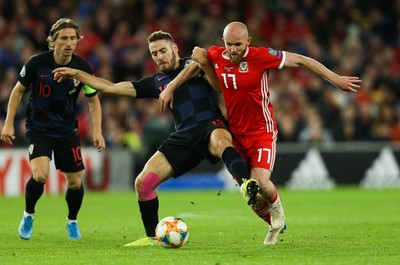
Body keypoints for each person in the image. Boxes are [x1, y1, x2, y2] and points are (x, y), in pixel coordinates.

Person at [53, 30, 259, 247]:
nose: (159, 56)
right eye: (154, 53)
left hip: (211, 125)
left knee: (221, 142)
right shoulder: (155, 82)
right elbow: (111, 87)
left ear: (175, 49)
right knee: (143, 183)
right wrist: (77, 74)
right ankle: (152, 237)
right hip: (183, 136)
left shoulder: (195, 63)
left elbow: (202, 62)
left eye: (163, 50)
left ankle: (246, 184)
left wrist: (173, 86)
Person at [167, 21, 361, 245]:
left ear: (248, 42)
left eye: (238, 44)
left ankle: (278, 213)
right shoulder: (216, 54)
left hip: (262, 132)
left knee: (261, 182)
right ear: (223, 42)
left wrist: (335, 79)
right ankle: (275, 223)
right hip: (235, 134)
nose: (233, 49)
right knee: (251, 195)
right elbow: (196, 66)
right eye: (229, 44)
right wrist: (172, 86)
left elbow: (302, 60)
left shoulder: (262, 56)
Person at [0, 18, 106, 240]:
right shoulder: (36, 63)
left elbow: (93, 99)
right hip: (38, 127)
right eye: (64, 38)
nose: (69, 43)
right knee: (40, 175)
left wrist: (97, 131)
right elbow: (18, 91)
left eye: (73, 38)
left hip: (67, 130)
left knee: (75, 183)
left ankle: (72, 221)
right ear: (53, 41)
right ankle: (28, 214)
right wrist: (8, 122)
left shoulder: (82, 68)